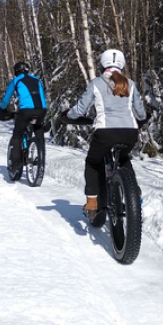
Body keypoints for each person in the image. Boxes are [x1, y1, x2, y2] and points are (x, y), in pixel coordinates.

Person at [63, 49, 146, 218]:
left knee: (93, 162)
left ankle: (92, 202)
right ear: (122, 65)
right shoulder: (130, 83)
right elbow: (141, 113)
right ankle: (134, 192)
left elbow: (80, 109)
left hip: (105, 132)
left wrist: (68, 116)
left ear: (102, 65)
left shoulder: (97, 83)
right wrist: (143, 119)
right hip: (130, 133)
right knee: (123, 158)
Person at [0, 61, 48, 170]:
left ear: (16, 71)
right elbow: (42, 96)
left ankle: (16, 164)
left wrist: (1, 110)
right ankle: (41, 160)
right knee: (38, 129)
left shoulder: (16, 80)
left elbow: (6, 98)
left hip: (26, 112)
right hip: (41, 111)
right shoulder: (37, 80)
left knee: (17, 134)